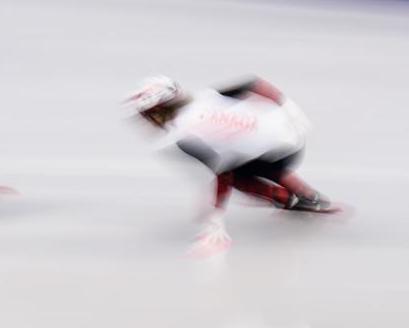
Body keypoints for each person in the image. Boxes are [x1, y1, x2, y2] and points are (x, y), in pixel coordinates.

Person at [124, 75, 334, 256]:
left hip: (275, 153)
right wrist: (287, 104)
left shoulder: (185, 136)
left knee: (238, 176)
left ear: (159, 110)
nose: (146, 121)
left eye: (146, 115)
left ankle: (286, 198)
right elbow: (252, 82)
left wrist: (215, 219)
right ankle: (305, 194)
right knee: (244, 155)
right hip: (291, 135)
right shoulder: (208, 95)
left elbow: (222, 174)